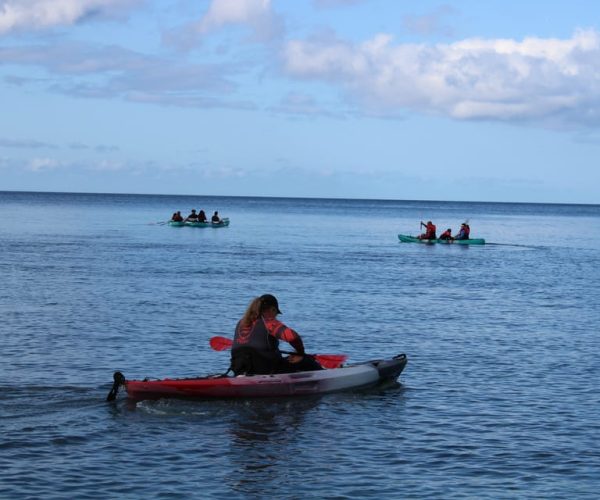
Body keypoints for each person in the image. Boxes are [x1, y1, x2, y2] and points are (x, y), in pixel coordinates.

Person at [230, 294, 323, 376]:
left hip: (240, 369)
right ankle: (326, 376)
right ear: (272, 309)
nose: (275, 316)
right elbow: (292, 336)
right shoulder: (269, 323)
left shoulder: (241, 323)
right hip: (266, 370)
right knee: (307, 361)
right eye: (276, 313)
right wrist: (300, 353)